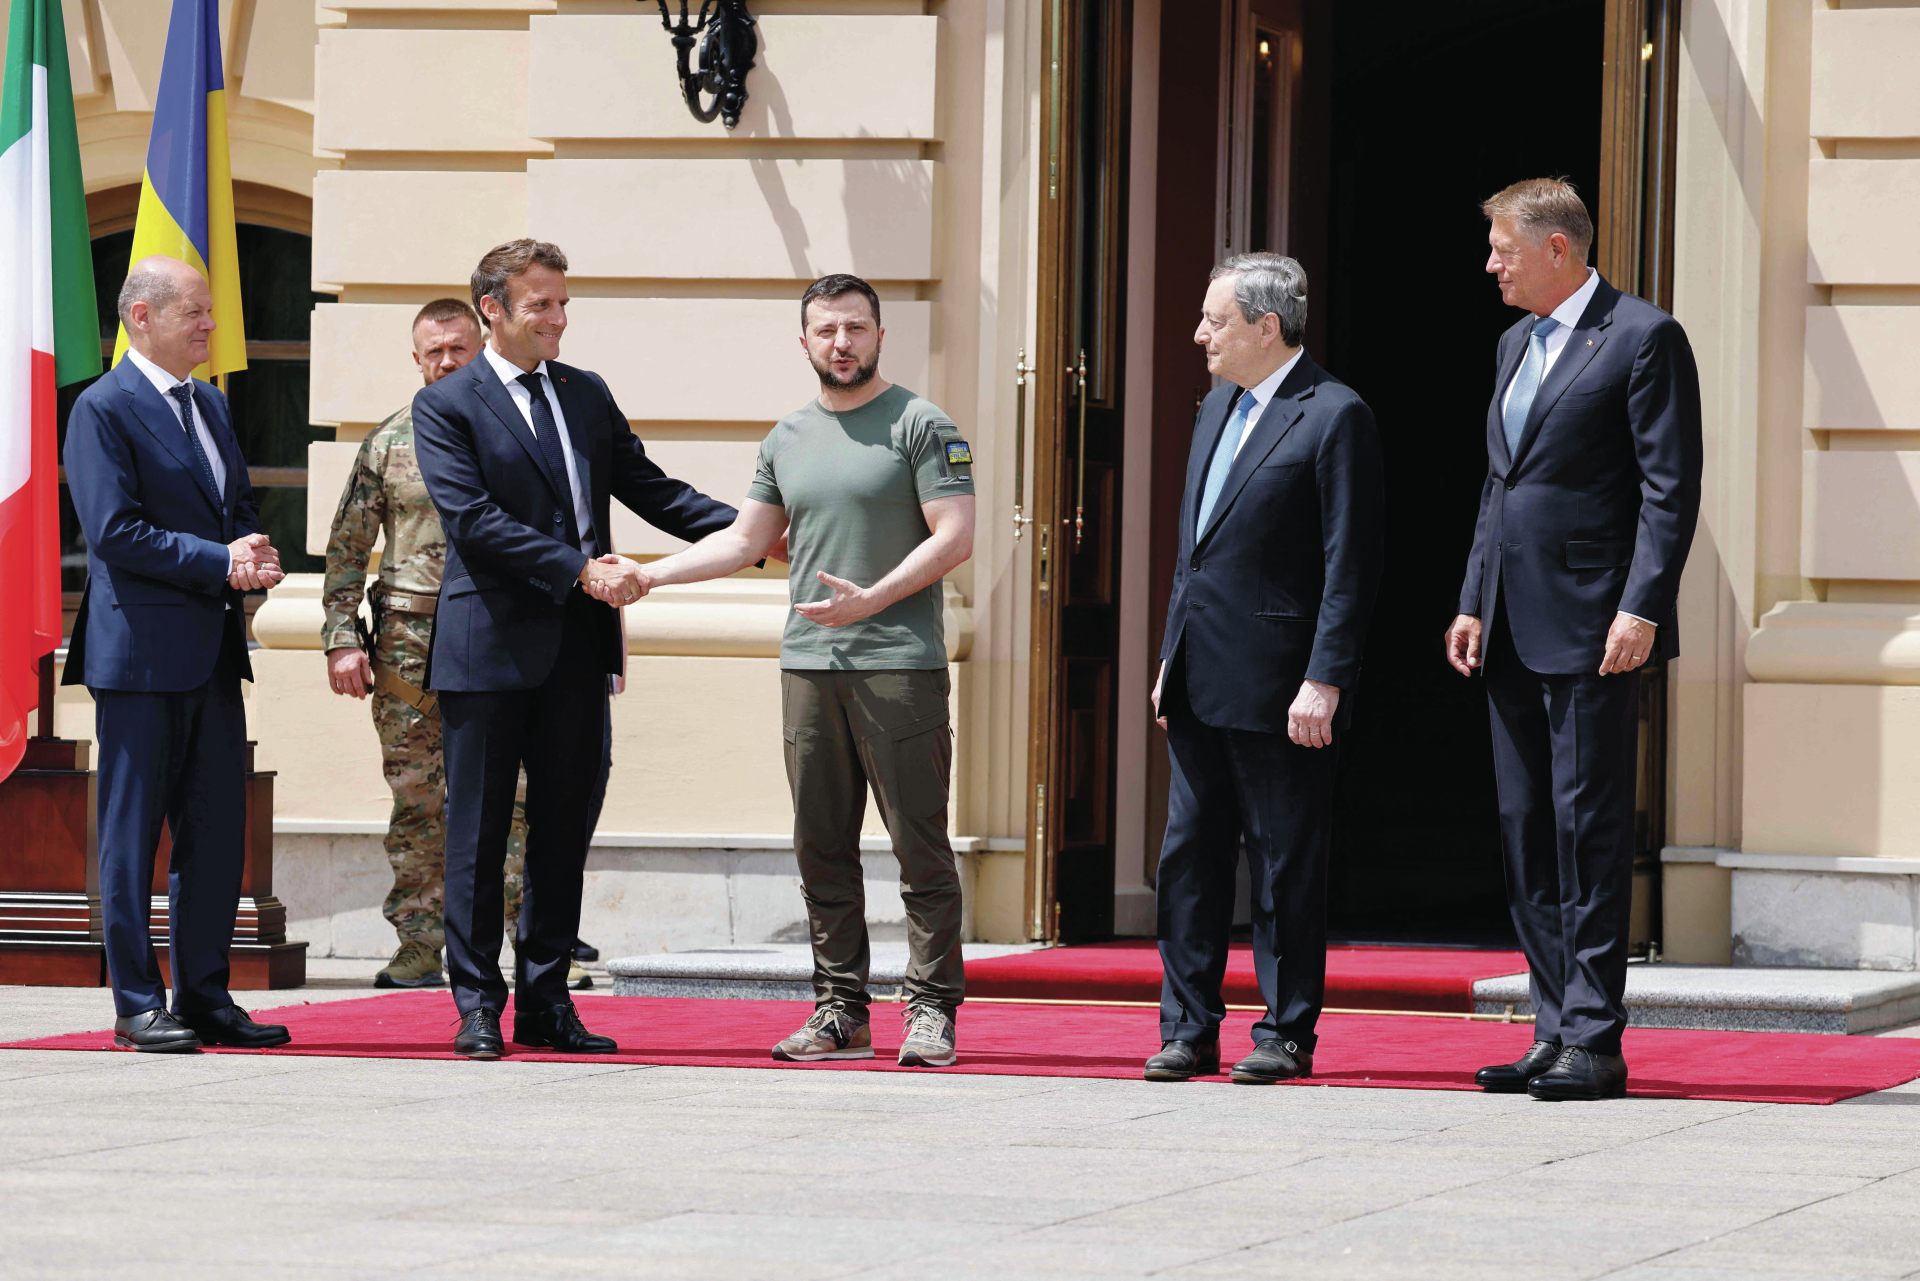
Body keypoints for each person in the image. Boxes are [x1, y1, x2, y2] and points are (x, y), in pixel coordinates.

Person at [598, 273, 975, 1069]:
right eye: (827, 330)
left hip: (898, 666)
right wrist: (649, 575)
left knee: (919, 846)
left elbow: (956, 535)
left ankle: (932, 1010)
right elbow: (743, 541)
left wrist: (872, 597)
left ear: (880, 335)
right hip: (809, 666)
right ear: (803, 341)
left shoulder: (922, 424)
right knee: (820, 846)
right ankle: (841, 1010)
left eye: (856, 328)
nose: (842, 343)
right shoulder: (787, 436)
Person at [411, 239, 739, 1059]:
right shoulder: (448, 404)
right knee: (478, 838)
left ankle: (547, 1001)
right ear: (493, 307)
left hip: (577, 650)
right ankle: (477, 1004)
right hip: (487, 649)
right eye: (541, 305)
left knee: (564, 831)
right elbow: (474, 521)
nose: (557, 319)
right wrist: (579, 570)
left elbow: (651, 487)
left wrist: (759, 531)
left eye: (562, 304)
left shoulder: (585, 394)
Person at [1445, 178, 1701, 1101]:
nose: (1491, 264)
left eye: (1504, 248)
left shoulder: (1642, 337)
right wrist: (1475, 595)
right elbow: (1499, 484)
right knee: (1526, 833)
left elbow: (1670, 490)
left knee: (1586, 828)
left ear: (1559, 249)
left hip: (1598, 628)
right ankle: (1554, 1028)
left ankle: (1596, 1036)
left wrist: (1643, 605)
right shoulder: (1516, 341)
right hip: (1511, 623)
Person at [1144, 253, 1383, 1085]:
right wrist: (1171, 654)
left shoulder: (1334, 414)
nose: (1199, 334)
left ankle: (1285, 1031)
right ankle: (1187, 1027)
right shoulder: (1216, 407)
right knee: (1190, 859)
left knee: (1283, 864)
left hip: (1285, 684)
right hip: (1200, 674)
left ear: (1265, 326)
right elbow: (1194, 553)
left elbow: (1349, 562)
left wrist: (1326, 676)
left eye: (1215, 319)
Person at [320, 298, 594, 991]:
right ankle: (418, 945)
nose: (446, 361)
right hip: (409, 651)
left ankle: (513, 950)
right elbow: (346, 549)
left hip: (502, 641)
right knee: (417, 802)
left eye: (458, 349)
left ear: (482, 347)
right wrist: (340, 639)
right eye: (432, 351)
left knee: (514, 802)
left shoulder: (516, 433)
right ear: (416, 359)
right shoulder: (388, 441)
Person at [61, 256, 292, 1052]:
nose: (210, 325)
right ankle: (135, 1001)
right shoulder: (104, 407)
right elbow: (115, 532)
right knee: (131, 836)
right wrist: (218, 561)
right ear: (142, 318)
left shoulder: (212, 408)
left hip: (212, 652)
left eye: (210, 311)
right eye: (194, 311)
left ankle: (204, 994)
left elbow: (233, 505)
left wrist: (253, 549)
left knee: (215, 829)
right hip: (139, 657)